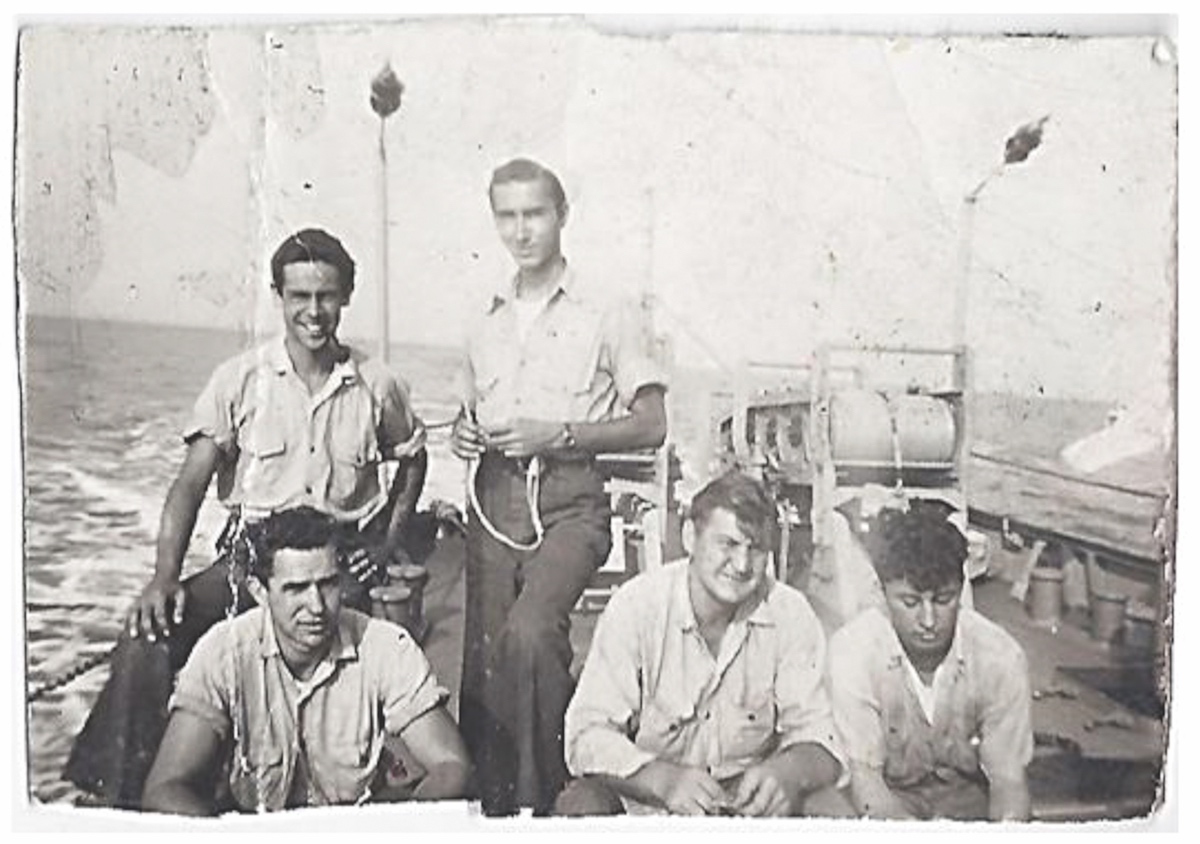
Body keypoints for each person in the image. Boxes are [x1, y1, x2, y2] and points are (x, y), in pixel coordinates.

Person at [66, 228, 428, 807]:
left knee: (360, 659)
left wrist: (386, 542)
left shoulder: (376, 385)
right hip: (248, 561)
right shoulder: (239, 380)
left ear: (345, 297)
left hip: (334, 566)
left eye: (327, 296)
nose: (314, 311)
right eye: (299, 296)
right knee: (144, 641)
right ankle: (124, 799)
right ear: (278, 297)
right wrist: (163, 578)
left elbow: (412, 459)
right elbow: (189, 485)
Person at [450, 158, 668, 815]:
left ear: (562, 215)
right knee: (485, 665)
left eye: (535, 213)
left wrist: (560, 435)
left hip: (571, 499)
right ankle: (492, 812)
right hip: (490, 501)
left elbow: (652, 424)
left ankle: (554, 801)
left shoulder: (609, 312)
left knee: (532, 633)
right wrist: (463, 432)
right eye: (507, 216)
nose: (521, 231)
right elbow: (468, 408)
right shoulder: (482, 316)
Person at [141, 506, 471, 814]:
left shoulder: (386, 647)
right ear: (258, 591)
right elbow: (164, 788)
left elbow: (452, 766)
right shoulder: (223, 653)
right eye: (296, 589)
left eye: (327, 585)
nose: (315, 606)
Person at [556, 471, 845, 817]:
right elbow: (585, 736)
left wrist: (788, 773)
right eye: (728, 544)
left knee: (831, 807)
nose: (741, 565)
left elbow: (823, 738)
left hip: (749, 813)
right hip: (648, 807)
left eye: (755, 550)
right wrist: (662, 780)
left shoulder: (790, 613)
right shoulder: (637, 606)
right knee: (581, 803)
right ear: (691, 537)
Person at [827, 506, 1033, 821]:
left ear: (962, 589)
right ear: (882, 594)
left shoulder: (1001, 657)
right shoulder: (851, 652)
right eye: (909, 602)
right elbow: (866, 782)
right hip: (883, 802)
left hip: (967, 802)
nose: (928, 621)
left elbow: (1008, 783)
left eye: (943, 599)